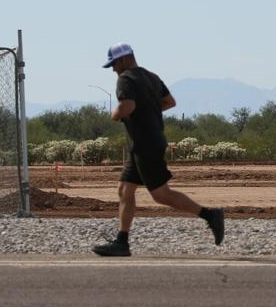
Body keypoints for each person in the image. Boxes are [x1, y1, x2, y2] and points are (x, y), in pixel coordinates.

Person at [92, 43, 224, 257]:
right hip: (146, 143)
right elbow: (169, 102)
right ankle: (122, 242)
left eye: (114, 64)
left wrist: (115, 114)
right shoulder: (151, 77)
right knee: (125, 190)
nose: (114, 69)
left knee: (161, 195)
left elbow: (127, 107)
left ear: (124, 59)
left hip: (145, 144)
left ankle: (210, 215)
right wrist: (149, 109)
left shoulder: (125, 79)